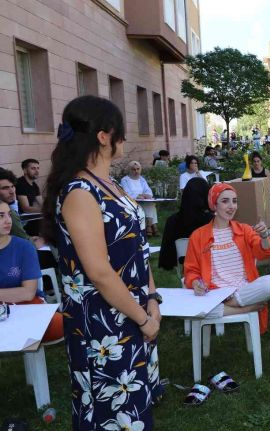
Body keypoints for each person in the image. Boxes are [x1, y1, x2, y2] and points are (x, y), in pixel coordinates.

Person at [42, 95, 161, 429]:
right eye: (120, 130)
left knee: (133, 410)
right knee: (112, 414)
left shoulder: (109, 185)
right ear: (104, 136)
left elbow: (138, 249)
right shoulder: (80, 192)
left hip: (131, 312)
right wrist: (143, 318)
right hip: (103, 325)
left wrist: (152, 298)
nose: (125, 138)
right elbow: (98, 271)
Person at [183, 183, 270, 328]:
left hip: (242, 289)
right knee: (196, 308)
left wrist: (265, 236)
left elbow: (265, 252)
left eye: (234, 201)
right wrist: (196, 283)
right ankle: (246, 309)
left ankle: (228, 305)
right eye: (225, 201)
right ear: (214, 205)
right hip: (214, 292)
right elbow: (191, 271)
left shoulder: (244, 230)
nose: (231, 206)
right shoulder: (198, 236)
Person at [0, 201, 63, 342]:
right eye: (1, 216)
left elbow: (28, 293)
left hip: (27, 306)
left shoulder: (23, 247)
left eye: (9, 215)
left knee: (61, 325)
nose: (8, 220)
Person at [158, 177, 212, 270]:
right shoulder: (210, 221)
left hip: (183, 261)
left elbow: (167, 253)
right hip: (208, 261)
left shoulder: (172, 220)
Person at [120, 161, 159, 236]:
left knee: (151, 204)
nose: (136, 171)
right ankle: (152, 226)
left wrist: (147, 195)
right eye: (133, 169)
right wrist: (138, 196)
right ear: (129, 170)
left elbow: (148, 190)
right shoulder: (125, 180)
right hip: (132, 202)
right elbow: (126, 193)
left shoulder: (142, 179)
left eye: (138, 169)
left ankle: (149, 226)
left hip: (143, 201)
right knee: (151, 205)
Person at [15, 158, 43, 235]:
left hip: (30, 216)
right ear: (25, 170)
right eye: (33, 168)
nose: (37, 171)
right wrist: (46, 210)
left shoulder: (34, 185)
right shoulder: (20, 184)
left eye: (38, 168)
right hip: (21, 219)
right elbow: (26, 208)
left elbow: (42, 203)